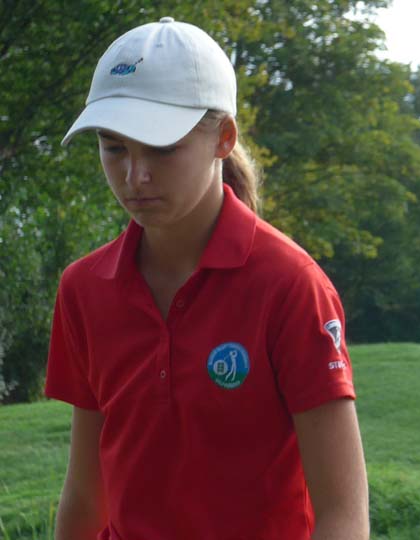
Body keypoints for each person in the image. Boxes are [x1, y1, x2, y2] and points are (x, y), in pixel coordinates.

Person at [45, 17, 368, 540]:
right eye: (114, 147)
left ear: (223, 138)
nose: (135, 176)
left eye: (162, 148)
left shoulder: (290, 285)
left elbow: (342, 513)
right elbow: (86, 492)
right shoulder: (84, 288)